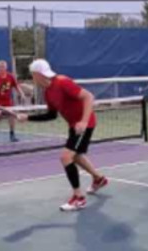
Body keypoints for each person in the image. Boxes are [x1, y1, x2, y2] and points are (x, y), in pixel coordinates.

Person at [17, 59, 108, 212]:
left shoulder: (62, 82)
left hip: (84, 124)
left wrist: (84, 122)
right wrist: (28, 117)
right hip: (74, 126)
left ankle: (78, 198)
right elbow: (51, 115)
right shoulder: (48, 92)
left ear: (38, 74)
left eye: (32, 75)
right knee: (76, 156)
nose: (32, 78)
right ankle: (98, 179)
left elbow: (88, 97)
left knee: (66, 157)